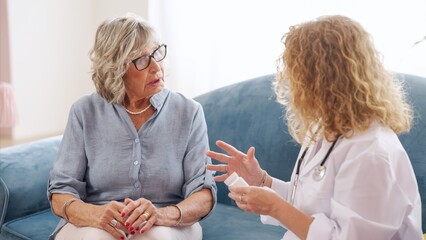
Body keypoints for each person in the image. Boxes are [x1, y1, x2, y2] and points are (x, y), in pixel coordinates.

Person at [206, 15, 423, 240]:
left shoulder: (372, 152)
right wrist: (262, 180)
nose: (288, 80)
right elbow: (311, 204)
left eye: (295, 73)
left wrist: (275, 207)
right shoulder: (326, 127)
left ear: (320, 79)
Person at [47, 13, 216, 240]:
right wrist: (96, 214)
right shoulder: (84, 111)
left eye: (157, 53)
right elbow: (61, 192)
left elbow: (203, 192)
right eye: (142, 60)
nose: (156, 67)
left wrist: (162, 214)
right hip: (96, 220)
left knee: (157, 238)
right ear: (116, 69)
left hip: (167, 221)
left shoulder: (189, 112)